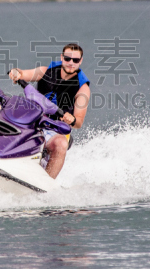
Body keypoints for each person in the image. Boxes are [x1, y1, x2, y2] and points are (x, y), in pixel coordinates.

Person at [8, 43, 91, 179]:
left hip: (54, 128)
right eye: (67, 58)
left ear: (80, 61)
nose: (71, 63)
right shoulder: (44, 71)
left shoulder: (83, 88)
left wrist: (72, 119)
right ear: (62, 57)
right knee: (0, 110)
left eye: (75, 60)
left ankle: (46, 184)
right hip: (32, 117)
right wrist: (16, 73)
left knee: (61, 144)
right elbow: (23, 73)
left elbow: (79, 122)